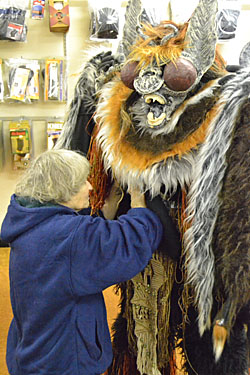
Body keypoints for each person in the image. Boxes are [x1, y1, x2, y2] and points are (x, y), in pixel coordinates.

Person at [0, 149, 163, 375]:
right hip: (66, 364)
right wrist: (138, 203)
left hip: (35, 356)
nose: (90, 187)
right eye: (81, 182)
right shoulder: (69, 238)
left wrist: (104, 214)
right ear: (61, 188)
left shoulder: (28, 223)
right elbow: (131, 244)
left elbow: (73, 251)